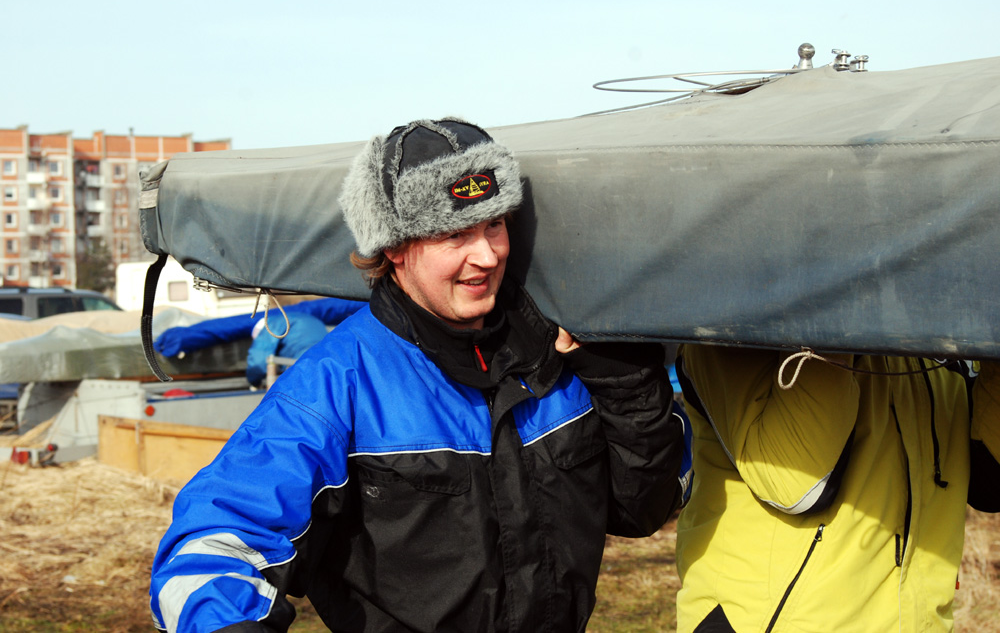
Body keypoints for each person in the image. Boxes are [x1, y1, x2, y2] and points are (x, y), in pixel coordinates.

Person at [149, 117, 689, 633]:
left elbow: (643, 509)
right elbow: (215, 543)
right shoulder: (338, 382)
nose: (487, 255)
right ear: (393, 248)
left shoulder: (561, 359)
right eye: (455, 234)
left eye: (495, 224)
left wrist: (623, 380)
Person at [673, 344, 1000, 632]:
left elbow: (991, 480)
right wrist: (839, 319)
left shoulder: (936, 334)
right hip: (763, 621)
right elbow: (797, 486)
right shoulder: (729, 328)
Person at [244, 312, 329, 387]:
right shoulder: (308, 319)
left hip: (302, 366)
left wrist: (254, 381)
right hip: (325, 364)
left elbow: (259, 360)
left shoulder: (270, 326)